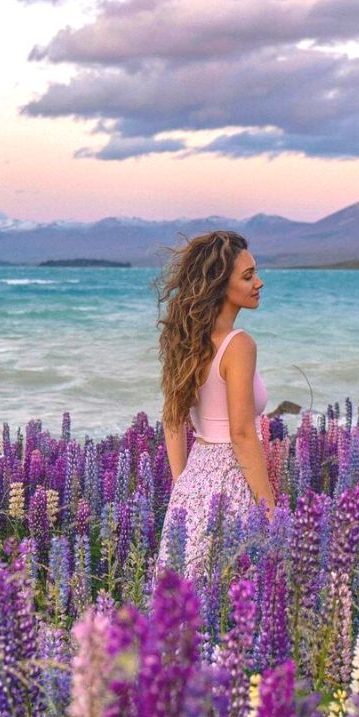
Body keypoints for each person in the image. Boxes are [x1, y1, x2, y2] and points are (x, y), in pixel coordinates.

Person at [154, 230, 275, 576]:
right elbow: (241, 433)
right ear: (221, 284)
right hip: (232, 478)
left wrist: (183, 487)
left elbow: (172, 420)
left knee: (182, 601)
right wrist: (270, 508)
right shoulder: (239, 345)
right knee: (232, 600)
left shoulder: (187, 341)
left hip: (194, 480)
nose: (259, 283)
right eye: (248, 276)